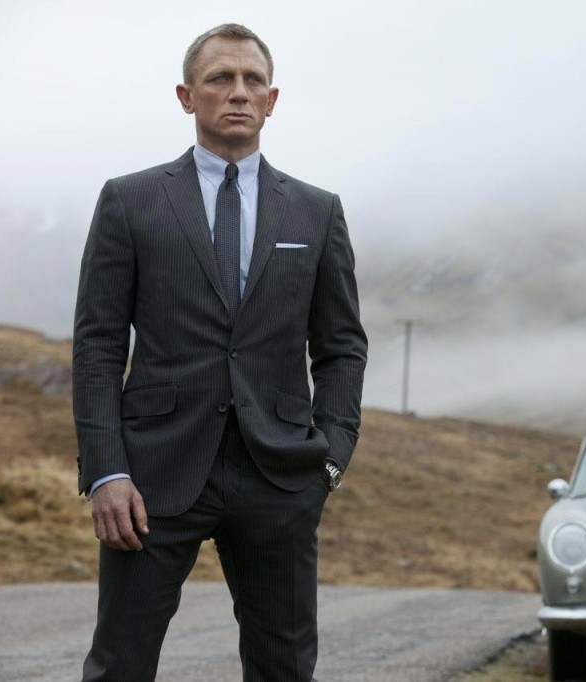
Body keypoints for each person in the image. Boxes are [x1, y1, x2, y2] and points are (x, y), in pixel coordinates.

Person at [72, 23, 367, 681]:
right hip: (151, 477)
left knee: (284, 668)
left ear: (272, 99)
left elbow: (342, 346)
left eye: (252, 80)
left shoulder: (317, 212)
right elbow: (96, 345)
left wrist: (330, 457)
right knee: (119, 666)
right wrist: (106, 471)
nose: (238, 92)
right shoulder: (130, 200)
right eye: (220, 79)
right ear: (187, 96)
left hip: (280, 477)